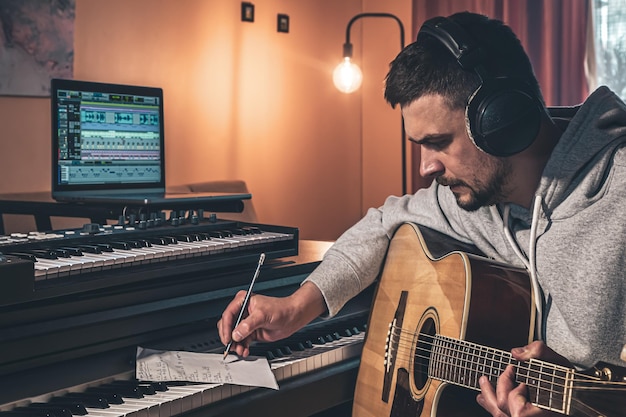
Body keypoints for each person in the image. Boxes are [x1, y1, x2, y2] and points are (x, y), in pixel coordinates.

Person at [218, 11, 626, 417]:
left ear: (501, 122)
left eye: (438, 142)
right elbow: (383, 221)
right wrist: (297, 306)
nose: (425, 168)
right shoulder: (477, 198)